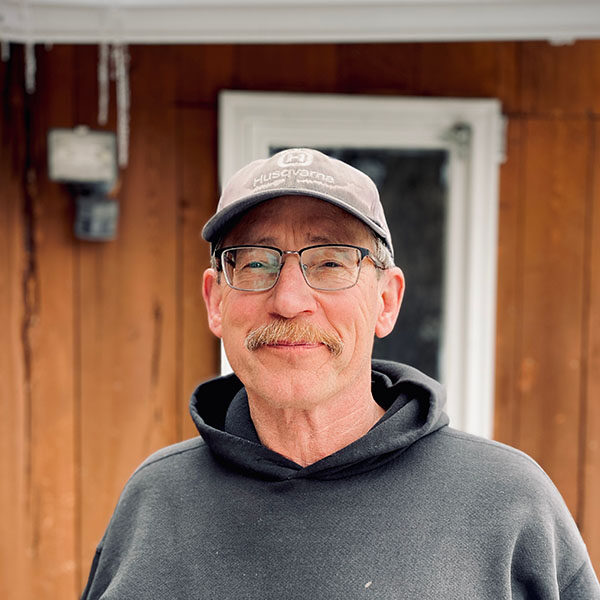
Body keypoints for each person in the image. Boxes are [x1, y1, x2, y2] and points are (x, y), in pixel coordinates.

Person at [82, 148, 600, 599]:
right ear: (216, 301)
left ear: (386, 300)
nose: (288, 300)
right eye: (256, 263)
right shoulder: (154, 503)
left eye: (330, 263)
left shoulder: (507, 505)